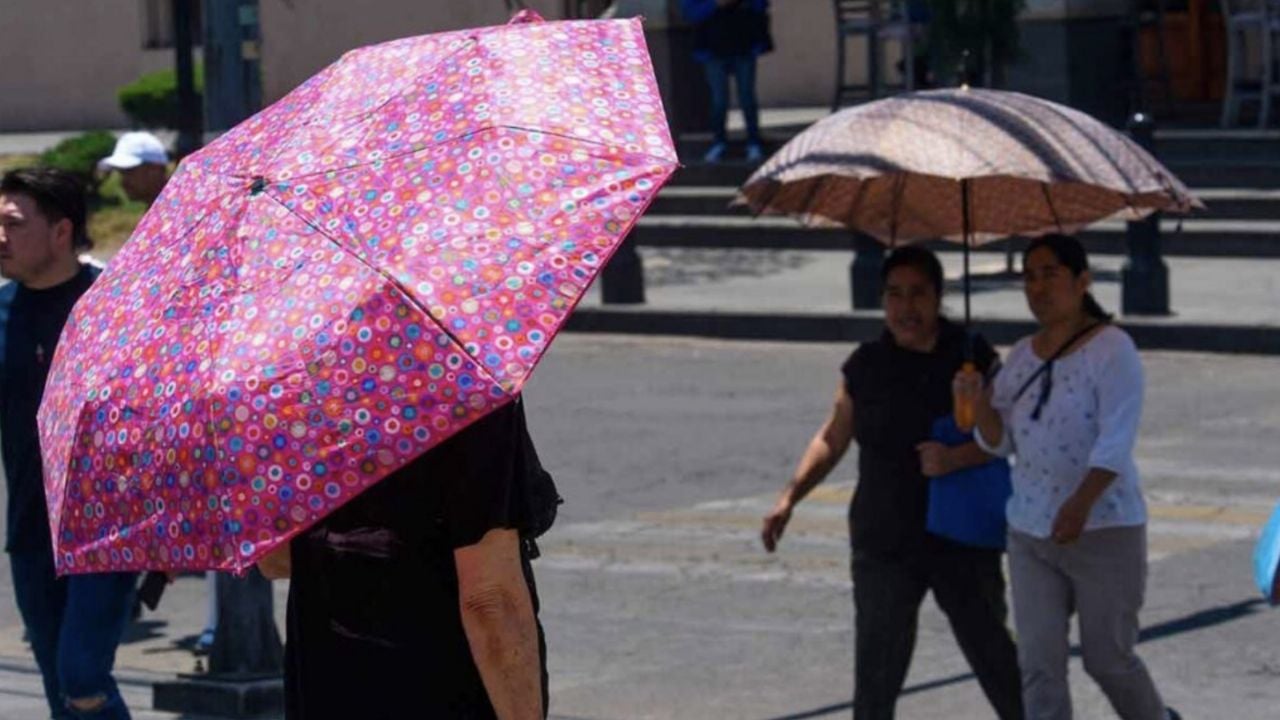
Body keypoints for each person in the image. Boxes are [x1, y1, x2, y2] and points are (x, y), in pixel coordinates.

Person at [762, 246, 1024, 720]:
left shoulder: (973, 357)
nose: (907, 307)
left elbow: (1006, 438)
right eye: (895, 294)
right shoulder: (865, 365)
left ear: (939, 297)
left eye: (919, 293)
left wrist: (955, 457)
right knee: (877, 679)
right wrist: (790, 497)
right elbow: (833, 435)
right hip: (885, 540)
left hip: (960, 539)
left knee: (997, 663)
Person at [955, 234, 1181, 720]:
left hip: (1104, 529)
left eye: (1050, 274)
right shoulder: (1021, 356)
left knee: (1108, 660)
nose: (1037, 287)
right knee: (1038, 664)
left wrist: (1080, 503)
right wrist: (977, 403)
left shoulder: (1113, 349)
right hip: (1031, 531)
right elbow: (999, 442)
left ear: (1082, 281)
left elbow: (1115, 441)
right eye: (1029, 277)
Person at [260, 397, 556, 720]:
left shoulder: (287, 386)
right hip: (437, 681)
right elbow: (490, 600)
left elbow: (274, 559)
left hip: (326, 679)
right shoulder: (463, 383)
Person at [0, 167, 137, 719]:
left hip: (105, 525)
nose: (0, 237)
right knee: (61, 688)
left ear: (62, 231)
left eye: (13, 223)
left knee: (83, 674)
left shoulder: (112, 301)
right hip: (32, 529)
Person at [679, 0, 772, 163]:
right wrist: (715, 4)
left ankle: (753, 142)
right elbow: (689, 12)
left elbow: (761, 5)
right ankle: (719, 143)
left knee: (747, 97)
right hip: (712, 46)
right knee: (719, 100)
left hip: (744, 43)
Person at [97, 131, 169, 205]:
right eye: (121, 173)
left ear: (155, 169)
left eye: (129, 171)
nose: (123, 182)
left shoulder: (175, 212)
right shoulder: (163, 211)